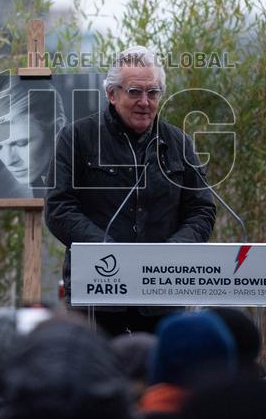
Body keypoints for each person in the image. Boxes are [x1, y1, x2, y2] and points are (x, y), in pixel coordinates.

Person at [45, 46, 216, 335]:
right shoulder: (77, 137)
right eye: (135, 92)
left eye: (154, 93)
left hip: (163, 292)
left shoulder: (178, 143)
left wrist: (173, 250)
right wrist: (110, 251)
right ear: (112, 94)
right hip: (98, 292)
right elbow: (59, 207)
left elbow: (202, 209)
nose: (145, 102)